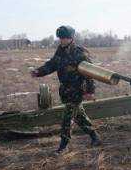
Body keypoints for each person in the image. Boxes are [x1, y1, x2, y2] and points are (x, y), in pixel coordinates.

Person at [31, 25, 102, 154]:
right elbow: (52, 64)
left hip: (77, 90)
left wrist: (90, 91)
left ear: (71, 38)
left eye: (64, 38)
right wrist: (38, 72)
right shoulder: (60, 51)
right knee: (80, 116)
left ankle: (64, 146)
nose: (61, 40)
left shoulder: (79, 53)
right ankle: (95, 136)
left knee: (67, 118)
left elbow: (90, 73)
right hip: (66, 90)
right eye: (60, 38)